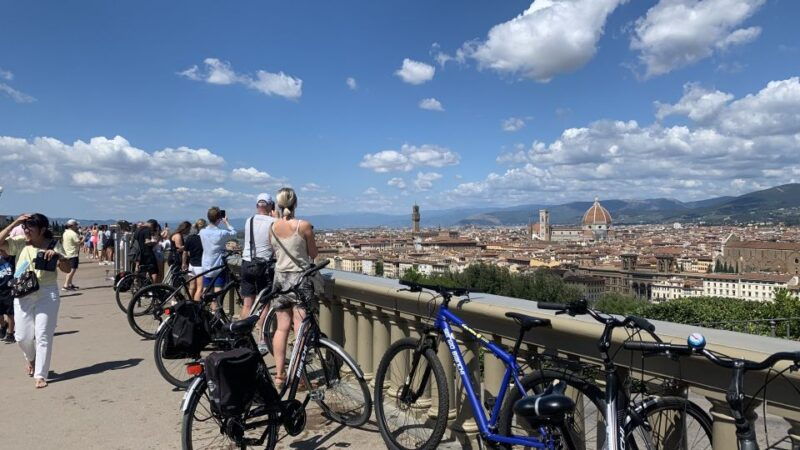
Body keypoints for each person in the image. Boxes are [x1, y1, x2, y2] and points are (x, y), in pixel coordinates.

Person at [0, 213, 70, 388]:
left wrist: (58, 257)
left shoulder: (54, 244)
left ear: (42, 229)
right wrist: (15, 222)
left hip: (47, 293)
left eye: (30, 227)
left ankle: (40, 374)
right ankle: (31, 358)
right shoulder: (20, 243)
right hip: (23, 292)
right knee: (21, 337)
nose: (26, 230)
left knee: (43, 335)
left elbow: (67, 268)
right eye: (25, 227)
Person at [269, 188, 318, 389]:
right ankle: (300, 378)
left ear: (279, 205)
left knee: (281, 328)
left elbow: (273, 250)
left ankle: (279, 376)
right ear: (295, 204)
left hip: (279, 279)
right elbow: (313, 254)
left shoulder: (272, 227)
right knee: (300, 329)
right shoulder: (303, 226)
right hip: (299, 280)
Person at [241, 194, 276, 319]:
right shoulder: (274, 222)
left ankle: (242, 336)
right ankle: (262, 337)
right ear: (271, 206)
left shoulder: (248, 220)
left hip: (247, 263)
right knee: (263, 305)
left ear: (257, 206)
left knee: (247, 304)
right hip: (263, 266)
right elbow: (275, 245)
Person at [199, 207, 236, 305]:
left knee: (206, 291)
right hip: (218, 265)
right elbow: (233, 233)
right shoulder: (221, 233)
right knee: (218, 291)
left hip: (206, 265)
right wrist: (226, 222)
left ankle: (207, 313)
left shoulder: (202, 232)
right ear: (219, 218)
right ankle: (216, 313)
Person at [183, 219, 206, 301]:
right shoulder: (204, 239)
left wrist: (183, 263)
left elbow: (185, 252)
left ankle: (187, 303)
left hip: (191, 265)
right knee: (200, 288)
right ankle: (196, 308)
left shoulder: (190, 238)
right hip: (200, 266)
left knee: (191, 287)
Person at [134, 219, 159, 283]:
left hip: (140, 254)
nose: (152, 230)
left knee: (142, 271)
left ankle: (141, 287)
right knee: (154, 271)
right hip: (147, 253)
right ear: (152, 225)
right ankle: (154, 287)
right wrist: (155, 242)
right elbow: (147, 242)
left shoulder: (138, 230)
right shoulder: (147, 230)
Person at [61, 219, 83, 290]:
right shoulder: (73, 234)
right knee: (72, 270)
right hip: (73, 253)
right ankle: (66, 285)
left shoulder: (65, 232)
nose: (77, 226)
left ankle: (70, 283)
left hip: (67, 253)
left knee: (69, 269)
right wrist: (83, 239)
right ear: (72, 226)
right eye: (76, 225)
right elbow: (79, 243)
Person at [0, 248, 15, 343]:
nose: (3, 252)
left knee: (10, 313)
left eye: (4, 250)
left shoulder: (12, 259)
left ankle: (10, 333)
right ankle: (3, 324)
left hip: (9, 290)